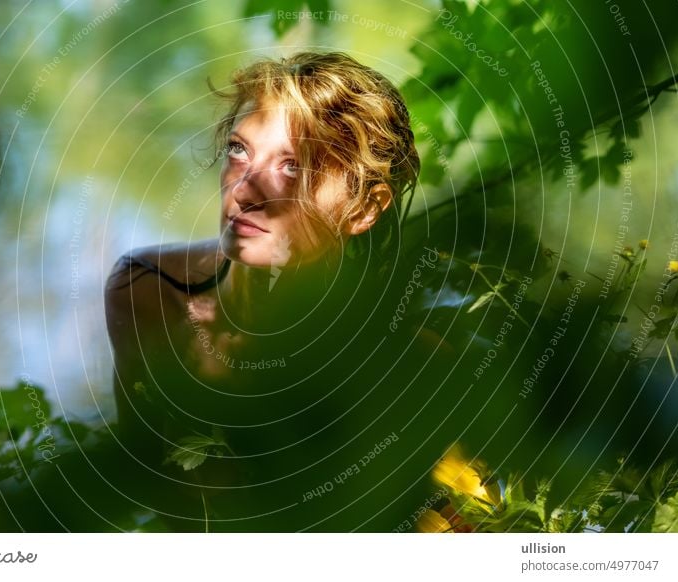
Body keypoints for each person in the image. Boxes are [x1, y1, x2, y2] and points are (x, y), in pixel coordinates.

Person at [104, 52, 436, 531]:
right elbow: (151, 482)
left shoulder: (402, 363)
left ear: (364, 208)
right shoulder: (151, 291)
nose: (244, 191)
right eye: (239, 150)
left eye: (294, 167)